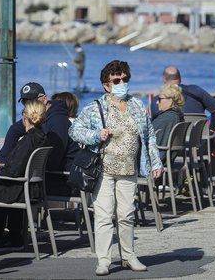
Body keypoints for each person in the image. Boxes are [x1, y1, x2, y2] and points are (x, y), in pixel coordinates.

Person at [69, 60, 163, 276]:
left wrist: (156, 162)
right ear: (106, 85)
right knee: (103, 216)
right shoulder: (96, 107)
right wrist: (95, 135)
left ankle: (129, 256)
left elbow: (149, 136)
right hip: (104, 169)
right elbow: (74, 131)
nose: (122, 83)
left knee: (127, 214)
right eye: (116, 80)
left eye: (125, 79)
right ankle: (103, 260)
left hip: (129, 169)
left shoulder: (137, 106)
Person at [0, 100, 49, 250]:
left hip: (17, 189)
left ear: (25, 117)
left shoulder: (27, 140)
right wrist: (4, 168)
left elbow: (12, 173)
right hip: (30, 187)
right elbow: (19, 166)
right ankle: (13, 235)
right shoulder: (41, 137)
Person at [150, 66, 215, 130]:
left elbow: (156, 124)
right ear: (180, 79)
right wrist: (211, 129)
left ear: (164, 79)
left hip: (172, 143)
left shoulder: (159, 99)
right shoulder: (196, 90)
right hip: (198, 140)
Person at [151, 84, 185, 162]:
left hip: (157, 159)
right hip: (168, 158)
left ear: (170, 101)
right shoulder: (178, 115)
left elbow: (149, 138)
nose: (156, 102)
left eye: (160, 99)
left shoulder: (166, 118)